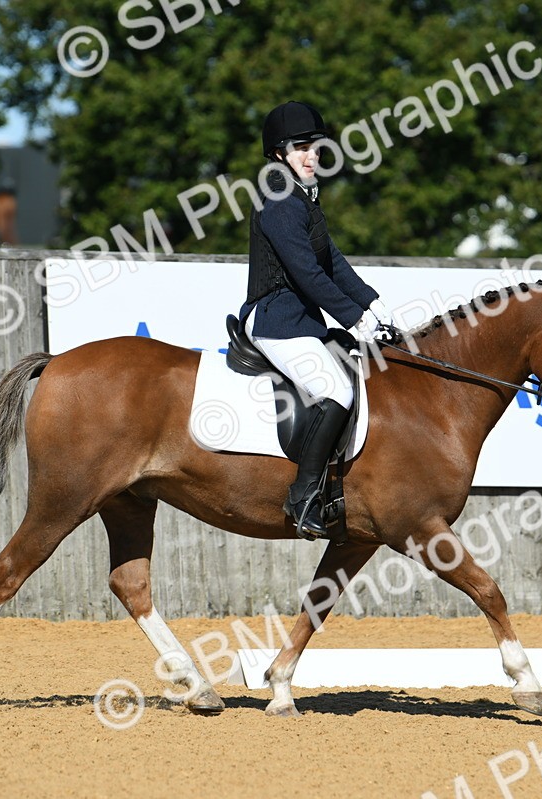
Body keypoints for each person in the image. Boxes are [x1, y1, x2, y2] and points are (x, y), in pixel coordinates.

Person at [238, 100, 396, 539]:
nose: (313, 156)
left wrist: (371, 303)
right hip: (276, 320)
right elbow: (306, 273)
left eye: (317, 148)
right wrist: (352, 318)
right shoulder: (277, 197)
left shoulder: (301, 195)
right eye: (302, 148)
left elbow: (331, 261)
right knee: (339, 391)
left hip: (301, 320)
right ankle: (304, 496)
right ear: (278, 154)